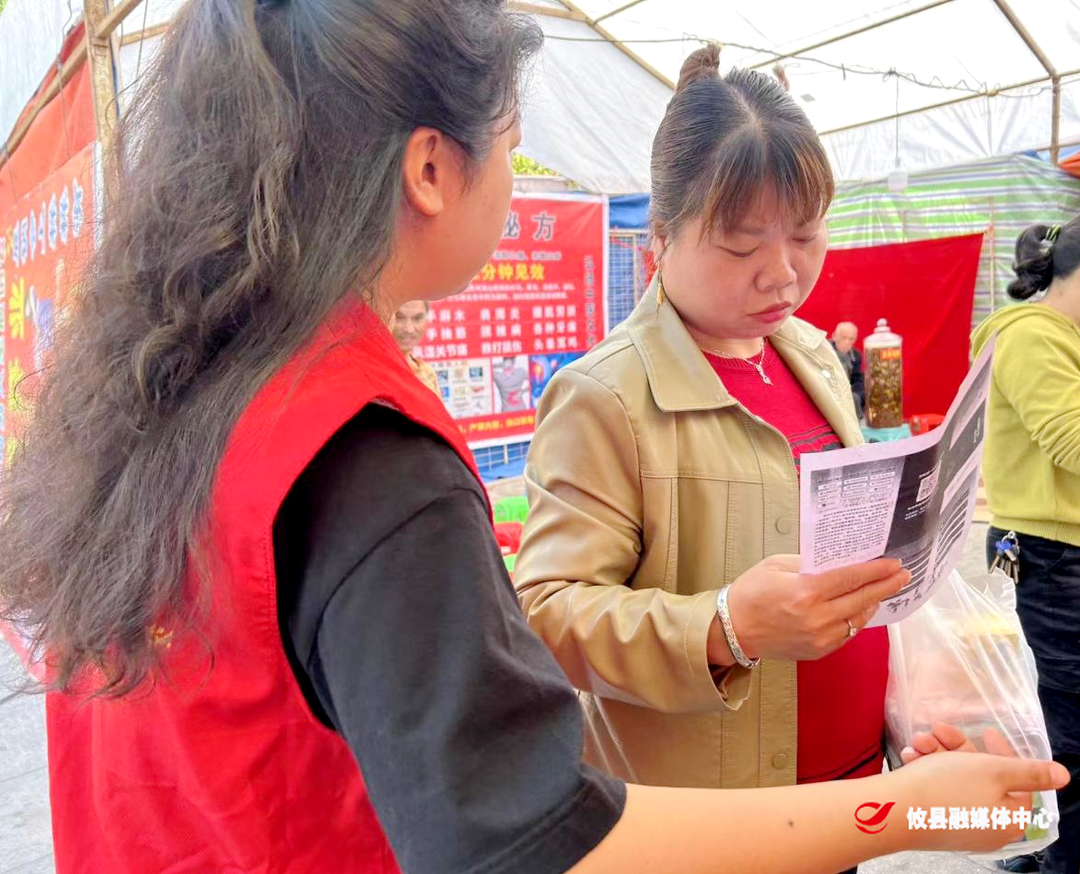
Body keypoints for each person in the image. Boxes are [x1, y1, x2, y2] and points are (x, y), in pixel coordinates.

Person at [0, 4, 1065, 873]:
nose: (780, 271)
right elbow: (529, 832)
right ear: (431, 169)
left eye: (804, 235)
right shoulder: (365, 449)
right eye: (512, 146)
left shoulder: (190, 382)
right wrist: (903, 809)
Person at [515, 42, 898, 833]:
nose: (782, 273)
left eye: (805, 235)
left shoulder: (814, 355)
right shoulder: (605, 395)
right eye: (742, 244)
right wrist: (726, 626)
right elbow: (549, 615)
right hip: (712, 824)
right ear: (659, 236)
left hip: (847, 794)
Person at [970, 218, 1080, 874]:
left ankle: (1052, 850)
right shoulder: (1034, 337)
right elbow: (1072, 442)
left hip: (1051, 548)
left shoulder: (1058, 336)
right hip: (1056, 552)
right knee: (1073, 725)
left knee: (1059, 713)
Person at [392, 299, 441, 394]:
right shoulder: (371, 371)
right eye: (399, 318)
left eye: (417, 318)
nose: (409, 329)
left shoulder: (427, 373)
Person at [832, 320, 865, 417]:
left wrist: (857, 395)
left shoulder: (856, 355)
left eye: (851, 339)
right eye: (844, 337)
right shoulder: (826, 350)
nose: (847, 342)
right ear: (834, 336)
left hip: (849, 392)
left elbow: (857, 379)